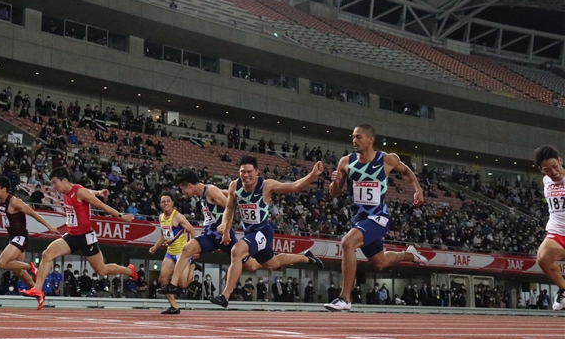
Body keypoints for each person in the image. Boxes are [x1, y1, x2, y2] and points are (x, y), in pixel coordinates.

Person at [162, 169, 323, 296]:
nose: (183, 193)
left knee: (259, 265)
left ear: (189, 185)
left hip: (225, 238)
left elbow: (230, 207)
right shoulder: (205, 194)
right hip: (211, 236)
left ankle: (305, 257)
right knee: (187, 249)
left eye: (183, 189)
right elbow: (228, 196)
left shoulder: (210, 191)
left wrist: (225, 229)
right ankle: (173, 286)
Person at [325, 124, 428, 311]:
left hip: (378, 218)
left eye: (358, 137)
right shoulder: (345, 162)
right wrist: (336, 182)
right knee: (380, 263)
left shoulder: (386, 159)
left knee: (347, 243)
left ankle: (344, 298)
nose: (354, 141)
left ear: (371, 139)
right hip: (359, 220)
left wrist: (418, 190)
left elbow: (406, 171)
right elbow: (333, 194)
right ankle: (410, 254)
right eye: (353, 137)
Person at [209, 156, 325, 308]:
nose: (246, 175)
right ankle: (306, 258)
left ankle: (225, 296)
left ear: (256, 172)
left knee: (236, 251)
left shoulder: (266, 185)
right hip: (249, 233)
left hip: (263, 231)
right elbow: (230, 209)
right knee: (271, 263)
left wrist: (312, 175)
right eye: (242, 172)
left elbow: (294, 186)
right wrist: (225, 227)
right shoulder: (234, 186)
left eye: (249, 171)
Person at [21, 167, 137, 309]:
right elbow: (89, 192)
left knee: (101, 270)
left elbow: (101, 205)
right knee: (47, 254)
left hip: (85, 237)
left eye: (55, 182)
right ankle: (38, 290)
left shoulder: (79, 192)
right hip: (71, 236)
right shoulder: (66, 191)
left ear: (64, 180)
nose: (54, 186)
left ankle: (129, 271)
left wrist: (121, 216)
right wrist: (99, 192)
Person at [0, 176, 59, 294]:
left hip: (20, 237)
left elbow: (33, 214)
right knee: (18, 272)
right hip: (13, 238)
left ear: (4, 189)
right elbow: (2, 211)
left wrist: (49, 227)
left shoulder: (15, 202)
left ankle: (31, 267)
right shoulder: (2, 201)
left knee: (1, 263)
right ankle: (38, 292)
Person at [150, 192, 198, 314]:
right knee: (163, 280)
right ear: (160, 204)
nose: (165, 203)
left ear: (172, 203)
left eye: (168, 201)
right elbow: (163, 235)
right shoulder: (161, 217)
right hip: (170, 252)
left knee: (183, 284)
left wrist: (193, 249)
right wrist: (155, 247)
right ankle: (174, 306)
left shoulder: (178, 216)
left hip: (182, 253)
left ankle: (193, 266)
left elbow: (192, 231)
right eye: (163, 202)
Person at [533, 145, 565, 311]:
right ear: (541, 170)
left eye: (555, 167)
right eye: (547, 170)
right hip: (557, 232)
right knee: (543, 258)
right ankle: (564, 290)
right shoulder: (546, 181)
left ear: (561, 161)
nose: (554, 173)